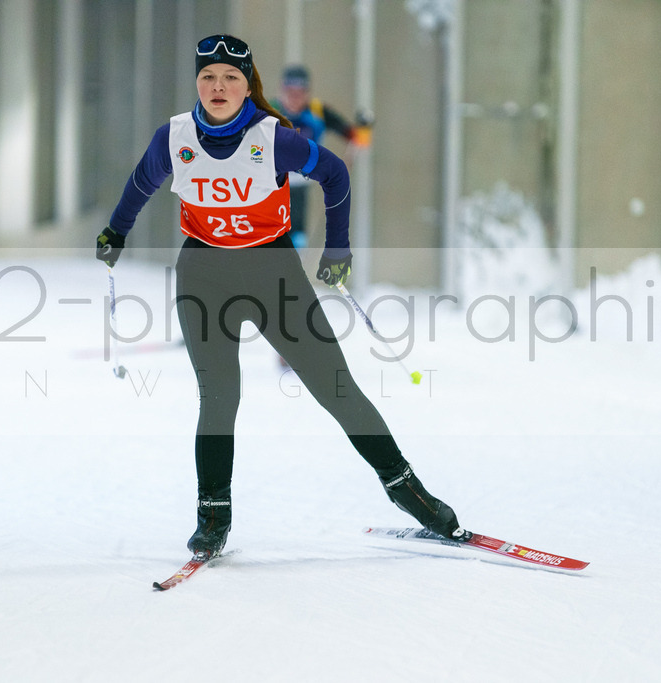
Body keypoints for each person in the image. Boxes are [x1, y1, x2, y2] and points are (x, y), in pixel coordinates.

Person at [96, 34, 466, 558]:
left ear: (247, 84)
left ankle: (412, 495)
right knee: (219, 397)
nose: (218, 87)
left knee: (337, 388)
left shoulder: (273, 137)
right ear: (197, 83)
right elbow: (140, 184)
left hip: (273, 276)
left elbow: (334, 173)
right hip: (204, 276)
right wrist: (115, 232)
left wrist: (337, 248)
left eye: (230, 78)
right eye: (208, 77)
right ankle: (212, 518)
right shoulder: (173, 137)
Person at [273, 64, 371, 249]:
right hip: (272, 179)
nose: (295, 99)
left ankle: (295, 250)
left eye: (300, 93)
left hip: (301, 178)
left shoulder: (317, 111)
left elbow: (351, 134)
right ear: (282, 90)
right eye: (290, 92)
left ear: (307, 92)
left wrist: (363, 131)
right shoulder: (270, 109)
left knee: (296, 230)